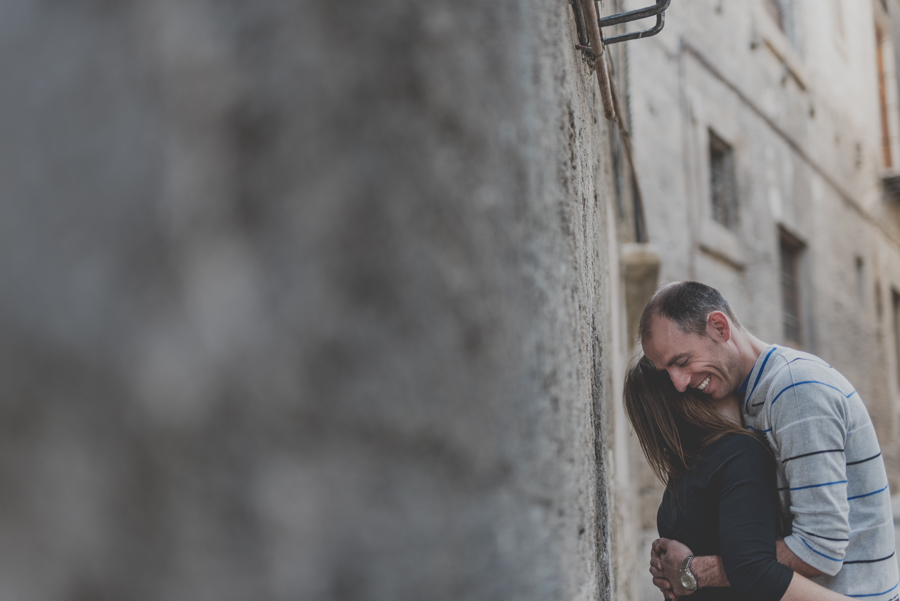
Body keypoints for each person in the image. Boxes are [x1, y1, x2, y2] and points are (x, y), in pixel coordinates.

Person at [639, 281, 898, 600]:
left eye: (681, 361)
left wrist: (696, 570)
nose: (678, 384)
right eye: (666, 371)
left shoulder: (796, 390)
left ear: (719, 327)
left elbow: (820, 550)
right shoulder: (749, 396)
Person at [625, 355, 856, 601]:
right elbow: (755, 571)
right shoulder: (740, 452)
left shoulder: (679, 482)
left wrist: (689, 572)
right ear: (693, 394)